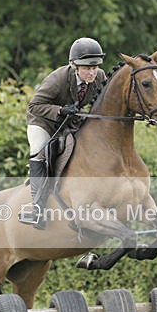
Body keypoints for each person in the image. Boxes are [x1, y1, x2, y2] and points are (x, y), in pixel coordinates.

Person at [23, 37, 107, 228]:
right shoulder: (58, 78)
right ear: (74, 66)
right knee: (39, 151)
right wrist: (60, 111)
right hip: (43, 121)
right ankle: (37, 208)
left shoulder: (100, 76)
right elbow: (35, 106)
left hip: (70, 121)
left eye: (95, 67)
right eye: (87, 68)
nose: (92, 72)